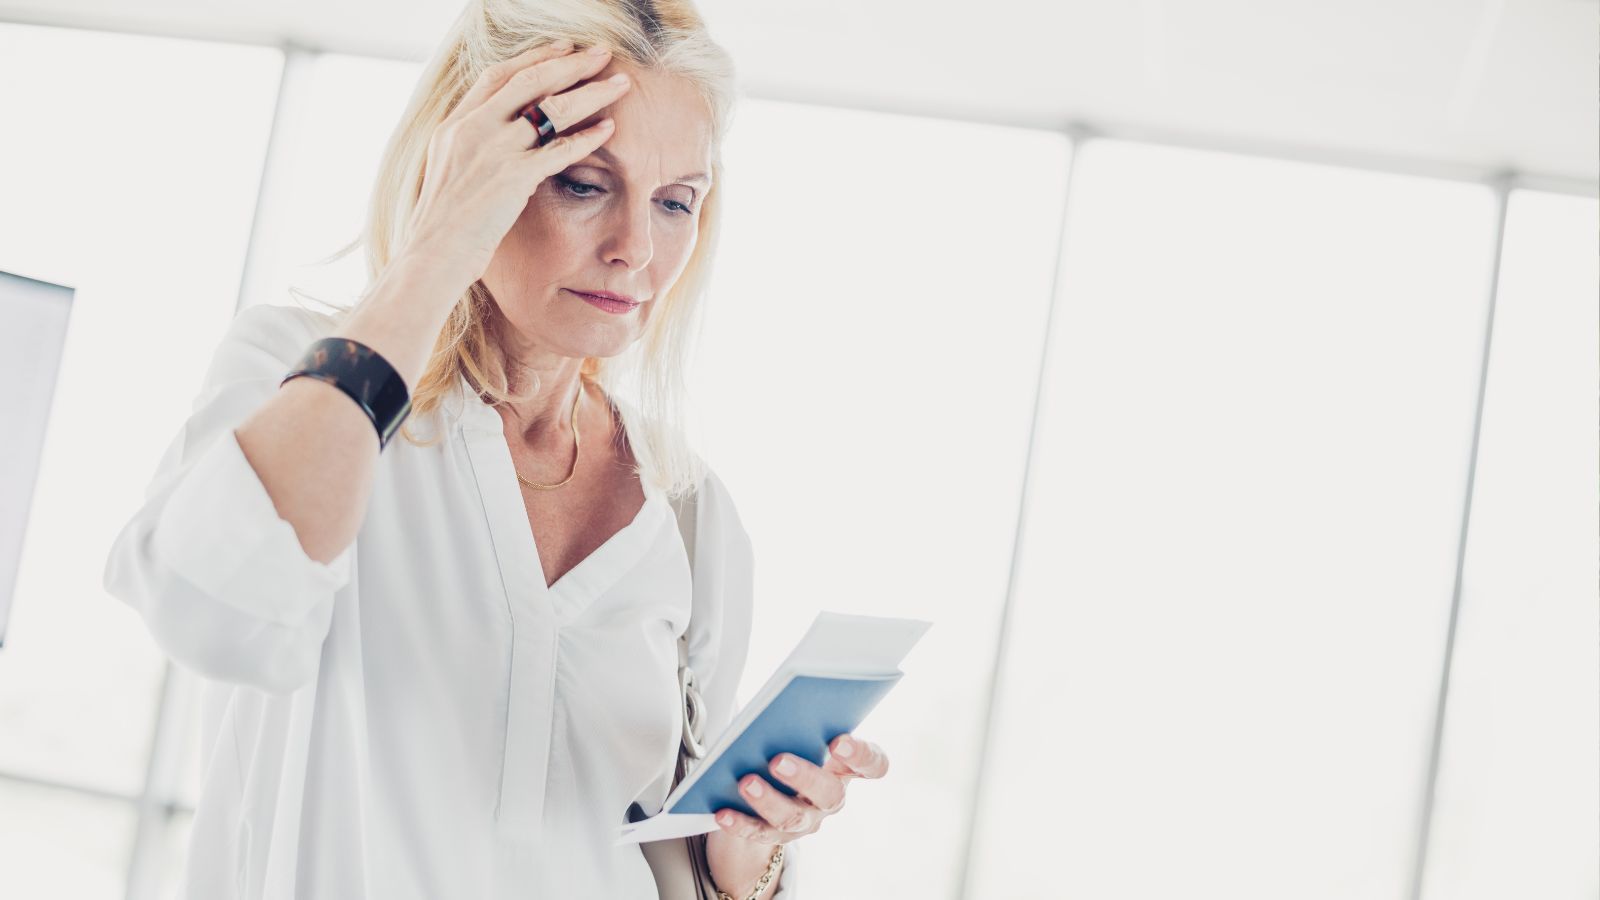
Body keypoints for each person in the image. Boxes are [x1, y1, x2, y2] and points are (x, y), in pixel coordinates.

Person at [100, 1, 891, 897]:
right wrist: (438, 241)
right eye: (583, 184)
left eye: (676, 202)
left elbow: (662, 856)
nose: (636, 249)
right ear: (472, 165)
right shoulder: (304, 380)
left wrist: (746, 853)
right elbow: (213, 611)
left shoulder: (687, 504)